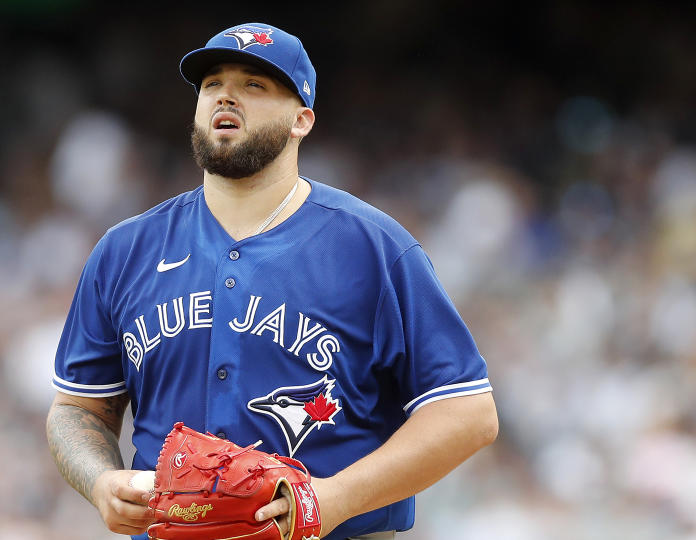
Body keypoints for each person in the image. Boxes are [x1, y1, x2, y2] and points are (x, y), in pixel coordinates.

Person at [46, 22, 498, 540]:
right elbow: (77, 409)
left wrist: (336, 498)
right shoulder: (125, 251)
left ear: (301, 120)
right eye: (212, 83)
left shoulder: (373, 247)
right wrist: (101, 479)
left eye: (255, 85)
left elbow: (468, 412)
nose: (226, 96)